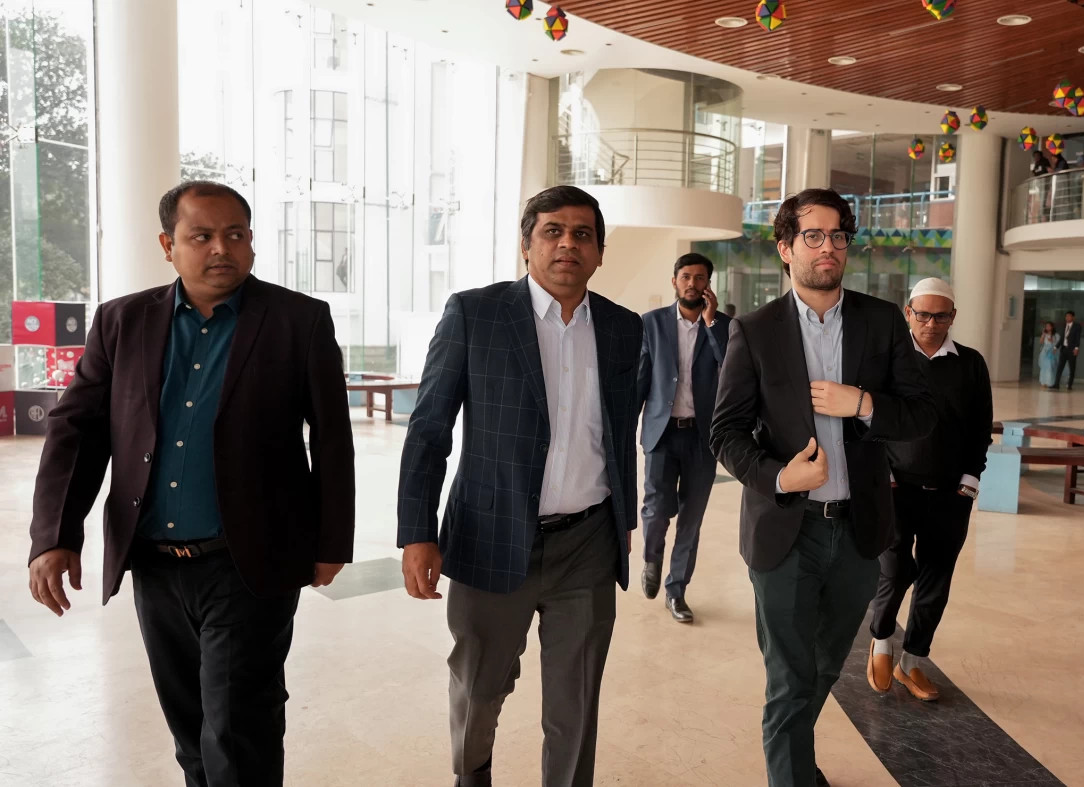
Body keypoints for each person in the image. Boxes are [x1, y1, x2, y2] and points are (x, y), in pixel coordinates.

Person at [26, 180, 356, 786]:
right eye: (201, 236)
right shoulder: (121, 321)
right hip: (154, 564)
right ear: (168, 245)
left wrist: (332, 540)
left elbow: (331, 437)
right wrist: (55, 535)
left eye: (235, 234)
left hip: (249, 561)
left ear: (251, 242)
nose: (220, 248)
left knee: (236, 728)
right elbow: (78, 431)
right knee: (191, 730)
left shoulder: (298, 320)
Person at [397, 185, 642, 787]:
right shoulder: (475, 313)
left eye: (582, 234)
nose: (567, 244)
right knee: (479, 688)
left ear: (600, 252)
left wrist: (624, 525)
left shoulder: (623, 328)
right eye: (552, 231)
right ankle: (471, 777)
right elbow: (428, 428)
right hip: (490, 534)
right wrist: (417, 533)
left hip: (587, 542)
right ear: (526, 244)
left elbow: (617, 434)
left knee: (576, 700)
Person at [710, 187, 936, 787]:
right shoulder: (755, 330)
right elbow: (725, 432)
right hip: (785, 529)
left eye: (838, 235)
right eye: (812, 235)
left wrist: (862, 403)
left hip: (859, 531)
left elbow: (921, 413)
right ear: (786, 248)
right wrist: (781, 476)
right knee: (789, 678)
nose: (828, 246)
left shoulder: (881, 321)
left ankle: (796, 763)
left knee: (825, 667)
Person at [866, 277, 992, 702]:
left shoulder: (970, 364)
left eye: (940, 316)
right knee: (896, 570)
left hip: (950, 493)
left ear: (952, 317)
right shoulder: (889, 360)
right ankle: (881, 640)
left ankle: (913, 661)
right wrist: (882, 474)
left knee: (936, 578)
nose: (931, 323)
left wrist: (969, 483)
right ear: (908, 312)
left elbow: (980, 427)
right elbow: (870, 421)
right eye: (923, 314)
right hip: (896, 487)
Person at [637, 252, 732, 623]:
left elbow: (731, 370)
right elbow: (641, 378)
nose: (692, 283)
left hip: (701, 438)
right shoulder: (651, 323)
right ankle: (651, 558)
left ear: (709, 284)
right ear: (674, 281)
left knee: (691, 520)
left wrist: (711, 324)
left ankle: (676, 591)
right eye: (686, 276)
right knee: (656, 509)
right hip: (662, 434)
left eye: (700, 278)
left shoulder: (725, 326)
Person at [1049, 311, 1081, 390]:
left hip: (1072, 350)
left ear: (1073, 317)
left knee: (1072, 368)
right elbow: (1062, 338)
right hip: (1063, 349)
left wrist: (1076, 348)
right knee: (1059, 367)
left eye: (1069, 316)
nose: (1067, 318)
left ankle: (1069, 385)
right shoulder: (1064, 325)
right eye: (1066, 316)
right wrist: (1056, 347)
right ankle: (1056, 384)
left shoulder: (1077, 326)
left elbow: (1078, 338)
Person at [1038, 322, 1059, 388]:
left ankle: (1050, 382)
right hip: (1045, 351)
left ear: (1052, 327)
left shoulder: (1055, 335)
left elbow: (1057, 344)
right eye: (1046, 326)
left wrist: (1051, 340)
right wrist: (1043, 335)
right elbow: (1041, 342)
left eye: (1049, 326)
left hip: (1052, 351)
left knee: (1050, 366)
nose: (1047, 327)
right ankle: (1043, 382)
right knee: (1044, 367)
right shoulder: (1045, 334)